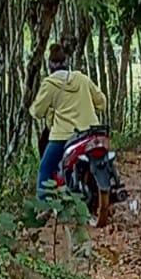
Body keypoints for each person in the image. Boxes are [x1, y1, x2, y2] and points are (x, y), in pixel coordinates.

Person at [29, 43, 107, 205]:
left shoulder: (49, 84)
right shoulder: (82, 78)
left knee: (45, 168)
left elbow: (37, 112)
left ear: (50, 65)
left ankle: (43, 207)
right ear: (67, 62)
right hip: (90, 132)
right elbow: (102, 102)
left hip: (63, 136)